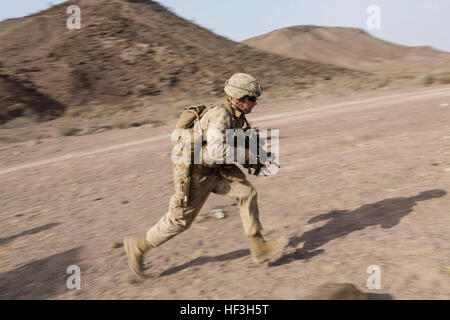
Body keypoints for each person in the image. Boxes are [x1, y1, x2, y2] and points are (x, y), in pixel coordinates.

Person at [124, 73, 288, 278]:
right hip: (195, 172)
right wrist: (245, 154)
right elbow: (216, 152)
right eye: (252, 98)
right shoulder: (221, 115)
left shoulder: (237, 115)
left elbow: (232, 145)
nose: (255, 103)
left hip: (215, 169)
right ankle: (137, 247)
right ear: (237, 97)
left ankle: (258, 248)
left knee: (247, 193)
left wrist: (255, 159)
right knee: (180, 221)